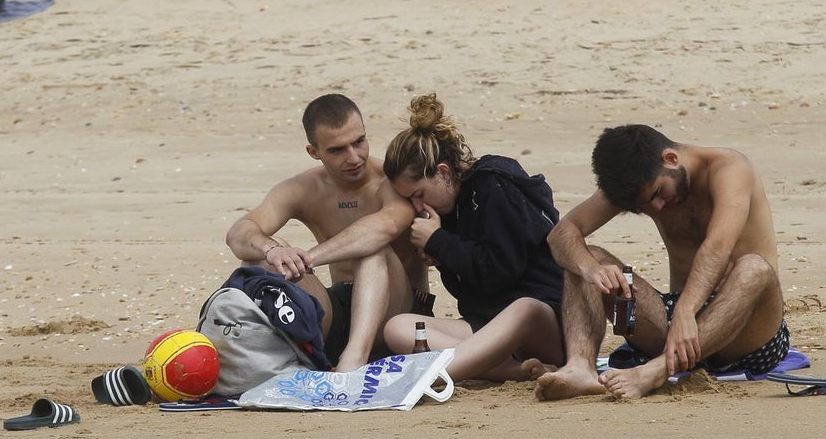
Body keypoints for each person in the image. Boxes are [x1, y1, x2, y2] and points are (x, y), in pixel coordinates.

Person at [535, 125, 787, 400]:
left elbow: (717, 249)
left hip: (747, 332)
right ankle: (579, 368)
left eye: (657, 193)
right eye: (642, 206)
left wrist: (686, 311)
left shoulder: (729, 168)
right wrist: (590, 268)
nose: (656, 208)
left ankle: (654, 372)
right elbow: (562, 233)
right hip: (676, 329)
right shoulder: (638, 182)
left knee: (754, 268)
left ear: (671, 159)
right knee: (587, 255)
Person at [225, 93, 433, 372]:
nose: (354, 157)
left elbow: (385, 227)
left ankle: (353, 362)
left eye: (359, 142)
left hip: (399, 316)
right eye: (337, 150)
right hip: (338, 312)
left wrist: (306, 260)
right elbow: (239, 233)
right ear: (314, 152)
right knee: (260, 260)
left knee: (372, 249)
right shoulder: (304, 188)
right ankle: (257, 355)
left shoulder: (393, 180)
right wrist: (274, 252)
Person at [380, 93, 565, 382]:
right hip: (488, 326)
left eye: (419, 195)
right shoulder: (446, 213)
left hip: (541, 320)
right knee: (399, 328)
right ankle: (507, 371)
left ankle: (469, 367)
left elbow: (502, 271)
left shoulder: (493, 186)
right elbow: (471, 291)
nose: (418, 207)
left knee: (523, 309)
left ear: (442, 172)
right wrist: (440, 256)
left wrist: (440, 242)